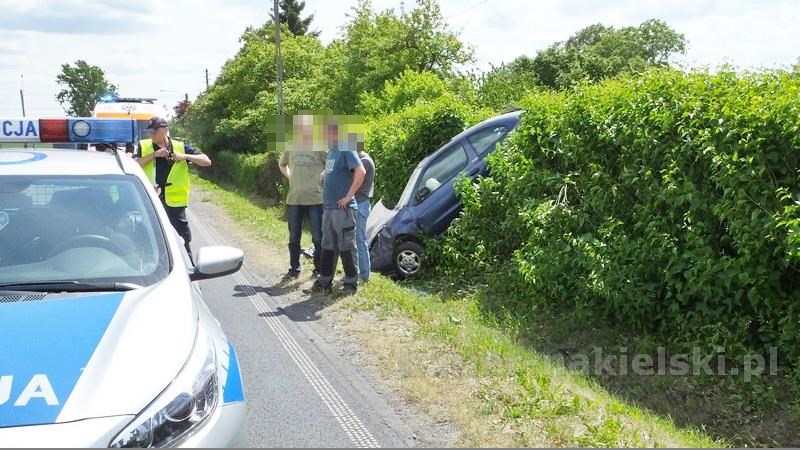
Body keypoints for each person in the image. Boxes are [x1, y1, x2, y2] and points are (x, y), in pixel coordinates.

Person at [134, 116, 211, 260]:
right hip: (151, 199)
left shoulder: (180, 146)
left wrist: (184, 156)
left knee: (183, 237)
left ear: (164, 130)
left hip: (175, 202)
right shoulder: (143, 145)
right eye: (149, 132)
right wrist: (154, 155)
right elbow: (133, 163)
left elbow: (206, 161)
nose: (150, 135)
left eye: (153, 132)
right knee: (151, 235)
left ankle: (188, 263)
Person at [304, 119, 366, 295]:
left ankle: (351, 283)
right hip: (330, 208)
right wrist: (324, 174)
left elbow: (361, 171)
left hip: (343, 209)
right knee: (327, 245)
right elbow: (336, 170)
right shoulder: (332, 151)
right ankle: (324, 282)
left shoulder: (346, 147)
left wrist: (349, 196)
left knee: (346, 246)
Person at [278, 114, 326, 282]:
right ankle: (294, 268)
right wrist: (289, 176)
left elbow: (332, 163)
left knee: (318, 238)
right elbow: (281, 164)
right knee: (293, 237)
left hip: (315, 199)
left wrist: (324, 174)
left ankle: (319, 270)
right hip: (294, 199)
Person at [351, 133, 374, 282]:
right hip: (359, 203)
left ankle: (364, 275)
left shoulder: (364, 161)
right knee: (354, 240)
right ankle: (355, 272)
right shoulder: (361, 160)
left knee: (359, 239)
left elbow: (353, 180)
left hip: (361, 204)